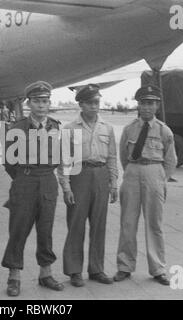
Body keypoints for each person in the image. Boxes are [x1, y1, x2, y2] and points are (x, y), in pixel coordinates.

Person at [2, 81, 64, 297]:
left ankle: (45, 274)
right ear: (29, 103)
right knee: (19, 229)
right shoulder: (17, 128)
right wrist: (24, 177)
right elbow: (9, 161)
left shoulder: (56, 127)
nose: (41, 105)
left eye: (45, 101)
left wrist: (46, 175)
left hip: (48, 180)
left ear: (49, 103)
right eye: (36, 101)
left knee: (46, 231)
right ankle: (14, 276)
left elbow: (58, 157)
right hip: (25, 181)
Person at [114, 85, 177, 286]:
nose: (147, 107)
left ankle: (158, 269)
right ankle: (124, 266)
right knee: (127, 223)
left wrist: (160, 179)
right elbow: (123, 156)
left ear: (157, 106)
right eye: (143, 103)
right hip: (133, 172)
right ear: (138, 105)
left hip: (154, 173)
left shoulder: (164, 130)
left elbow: (170, 159)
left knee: (155, 224)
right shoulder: (129, 128)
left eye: (151, 103)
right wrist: (132, 171)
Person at [57, 84, 118, 287]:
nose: (94, 106)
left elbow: (111, 157)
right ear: (81, 104)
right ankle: (74, 271)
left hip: (100, 175)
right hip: (79, 174)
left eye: (97, 102)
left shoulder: (106, 128)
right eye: (90, 103)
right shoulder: (69, 129)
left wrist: (113, 183)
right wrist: (66, 188)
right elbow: (64, 161)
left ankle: (96, 269)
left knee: (99, 225)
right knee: (76, 223)